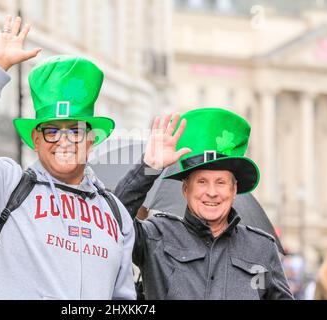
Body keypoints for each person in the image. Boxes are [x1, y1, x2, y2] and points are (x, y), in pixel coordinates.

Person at [0, 15, 135, 300]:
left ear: (92, 139)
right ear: (36, 139)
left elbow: (122, 299)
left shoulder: (115, 213)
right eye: (52, 130)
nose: (64, 141)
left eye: (76, 130)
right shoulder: (4, 187)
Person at [114, 108, 294, 299]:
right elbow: (115, 219)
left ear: (234, 191)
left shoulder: (261, 248)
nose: (211, 192)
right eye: (201, 182)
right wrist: (149, 167)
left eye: (221, 182)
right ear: (185, 189)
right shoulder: (155, 237)